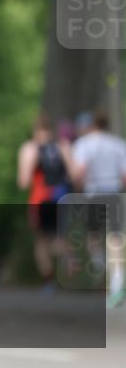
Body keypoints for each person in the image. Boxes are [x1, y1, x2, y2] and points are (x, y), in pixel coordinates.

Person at [68, 109, 126, 308]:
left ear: (92, 124)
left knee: (93, 235)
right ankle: (117, 281)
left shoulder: (84, 144)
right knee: (116, 237)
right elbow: (124, 175)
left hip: (93, 193)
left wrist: (77, 188)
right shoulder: (118, 144)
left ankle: (99, 263)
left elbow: (79, 172)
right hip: (114, 192)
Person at [17, 114, 72, 291]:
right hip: (62, 196)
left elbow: (24, 180)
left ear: (35, 130)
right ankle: (71, 267)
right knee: (61, 237)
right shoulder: (62, 146)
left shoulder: (30, 148)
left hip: (41, 198)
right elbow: (74, 174)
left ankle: (48, 281)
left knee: (42, 240)